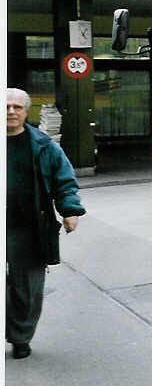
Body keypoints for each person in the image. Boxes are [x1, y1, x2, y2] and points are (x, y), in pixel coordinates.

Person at [6, 88, 85, 359]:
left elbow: (65, 181)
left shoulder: (43, 145)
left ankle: (20, 337)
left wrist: (70, 211)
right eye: (6, 106)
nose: (11, 111)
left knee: (27, 288)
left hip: (29, 226)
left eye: (17, 107)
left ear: (26, 111)